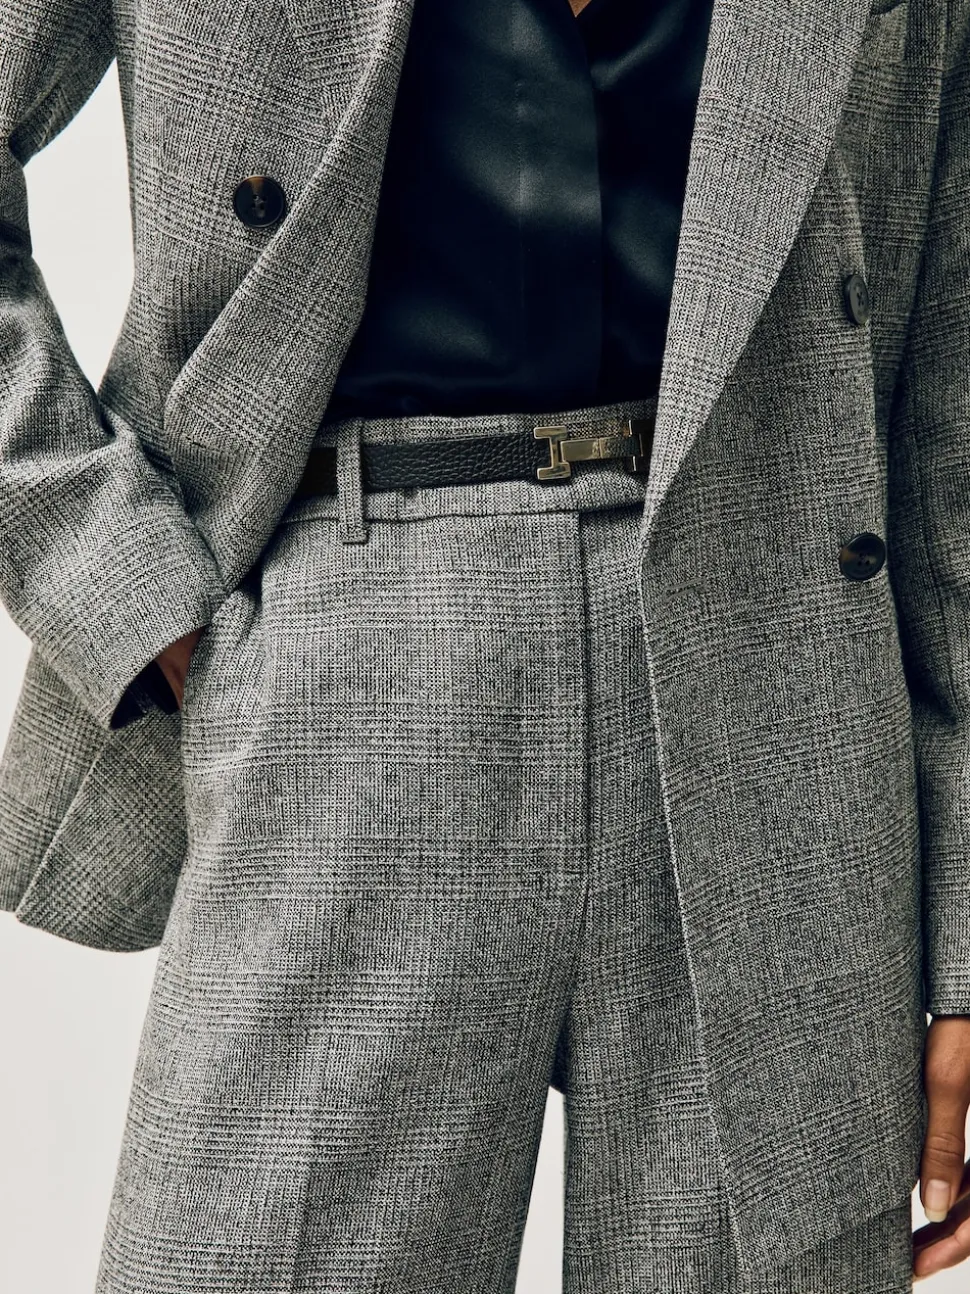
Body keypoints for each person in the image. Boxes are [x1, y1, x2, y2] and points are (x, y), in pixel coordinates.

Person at [0, 0, 968, 1288]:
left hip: (785, 677)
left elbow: (952, 380)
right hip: (346, 654)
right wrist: (111, 570)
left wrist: (965, 929)